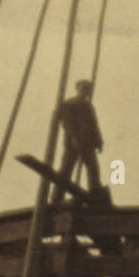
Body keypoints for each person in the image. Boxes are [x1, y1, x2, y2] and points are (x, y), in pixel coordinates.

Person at [53, 78, 104, 206]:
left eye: (88, 89)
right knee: (66, 169)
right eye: (84, 88)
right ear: (78, 89)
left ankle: (95, 192)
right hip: (73, 143)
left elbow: (94, 125)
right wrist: (74, 139)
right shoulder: (68, 104)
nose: (86, 91)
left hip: (88, 143)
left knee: (93, 168)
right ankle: (57, 198)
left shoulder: (88, 106)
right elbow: (67, 124)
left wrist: (99, 141)